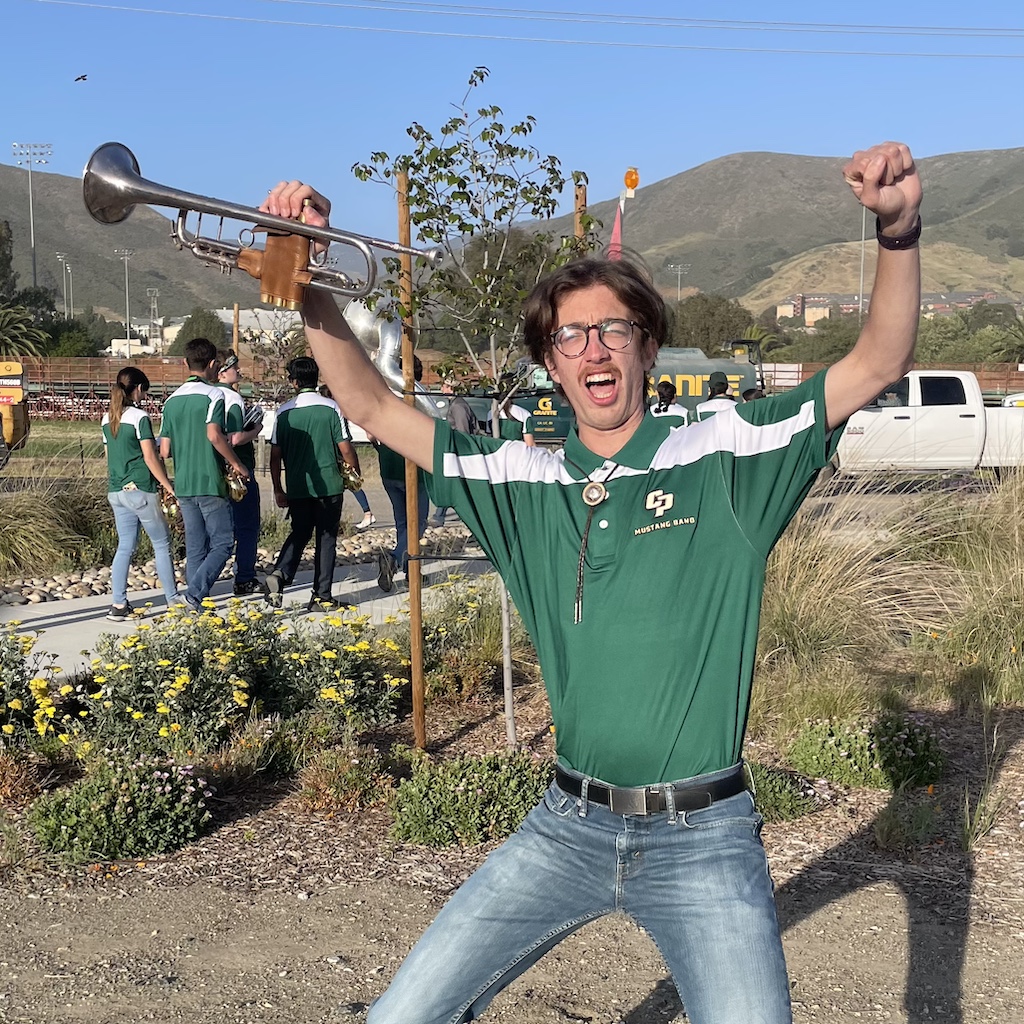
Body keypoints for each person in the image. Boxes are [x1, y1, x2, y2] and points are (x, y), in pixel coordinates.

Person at [265, 139, 922, 1024]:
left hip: (705, 839)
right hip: (566, 825)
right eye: (569, 336)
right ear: (551, 362)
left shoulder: (727, 455)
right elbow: (372, 405)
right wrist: (307, 272)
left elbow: (877, 362)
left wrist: (898, 230)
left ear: (647, 346)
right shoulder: (520, 478)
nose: (593, 349)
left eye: (614, 329)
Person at [160, 339, 250, 611]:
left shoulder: (171, 401)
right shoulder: (214, 395)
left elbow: (165, 450)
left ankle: (195, 599)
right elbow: (214, 435)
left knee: (196, 546)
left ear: (185, 363)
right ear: (212, 364)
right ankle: (194, 595)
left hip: (184, 482)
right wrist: (236, 463)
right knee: (223, 543)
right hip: (209, 479)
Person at [263, 356, 358, 611]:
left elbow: (275, 456)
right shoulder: (331, 408)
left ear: (294, 382)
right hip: (329, 485)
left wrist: (278, 488)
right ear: (316, 379)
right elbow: (345, 447)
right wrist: (354, 472)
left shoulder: (283, 412)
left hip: (297, 486)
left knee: (300, 532)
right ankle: (321, 596)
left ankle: (281, 573)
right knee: (326, 539)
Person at [101, 367, 180, 619]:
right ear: (136, 389)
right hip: (140, 489)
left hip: (116, 490)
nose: (144, 396)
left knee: (125, 546)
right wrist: (168, 485)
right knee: (162, 544)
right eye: (144, 391)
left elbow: (109, 456)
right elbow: (149, 457)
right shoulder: (139, 417)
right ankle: (173, 600)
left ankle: (118, 604)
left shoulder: (107, 418)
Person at [374, 356, 429, 593]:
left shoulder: (386, 397)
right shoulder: (418, 398)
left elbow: (372, 434)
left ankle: (410, 569)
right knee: (419, 522)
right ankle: (396, 558)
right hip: (414, 467)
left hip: (388, 467)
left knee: (402, 523)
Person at [216, 351, 265, 596]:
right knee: (247, 526)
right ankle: (244, 577)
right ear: (223, 372)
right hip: (238, 469)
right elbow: (234, 438)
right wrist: (256, 428)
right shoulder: (232, 397)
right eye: (235, 367)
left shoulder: (206, 394)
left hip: (212, 469)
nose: (239, 371)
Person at [320, 383, 376, 530]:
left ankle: (367, 513)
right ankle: (365, 513)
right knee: (348, 484)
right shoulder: (337, 410)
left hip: (338, 452)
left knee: (351, 483)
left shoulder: (334, 411)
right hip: (338, 450)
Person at [429, 375, 476, 527]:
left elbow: (463, 431)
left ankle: (439, 516)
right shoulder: (455, 404)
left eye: (444, 386)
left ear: (451, 388)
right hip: (456, 450)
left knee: (452, 483)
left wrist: (460, 452)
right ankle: (440, 515)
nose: (442, 388)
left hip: (460, 451)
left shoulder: (458, 407)